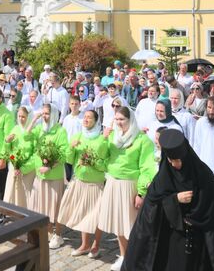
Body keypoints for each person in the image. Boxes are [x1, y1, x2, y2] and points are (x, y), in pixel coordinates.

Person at [123, 130, 214, 270]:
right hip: (171, 239)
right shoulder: (163, 177)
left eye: (177, 160)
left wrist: (195, 213)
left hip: (198, 241)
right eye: (170, 160)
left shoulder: (203, 174)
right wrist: (174, 200)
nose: (174, 164)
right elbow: (151, 208)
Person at [97, 106, 157, 271]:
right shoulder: (112, 137)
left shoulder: (142, 140)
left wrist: (141, 193)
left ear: (130, 120)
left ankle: (137, 256)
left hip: (129, 185)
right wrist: (103, 138)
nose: (119, 123)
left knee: (132, 225)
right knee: (119, 223)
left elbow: (147, 168)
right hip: (113, 183)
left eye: (122, 120)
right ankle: (124, 256)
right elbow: (101, 156)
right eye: (116, 119)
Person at [58, 110, 107, 258]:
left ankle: (96, 245)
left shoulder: (102, 139)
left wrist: (92, 162)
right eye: (84, 117)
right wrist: (71, 147)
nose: (86, 119)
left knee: (97, 215)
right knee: (83, 214)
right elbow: (69, 159)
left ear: (96, 121)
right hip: (79, 180)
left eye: (89, 117)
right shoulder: (77, 136)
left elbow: (105, 165)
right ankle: (85, 245)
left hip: (95, 183)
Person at [28, 103, 69, 248]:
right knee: (41, 206)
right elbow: (27, 136)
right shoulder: (40, 129)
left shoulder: (60, 131)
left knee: (55, 207)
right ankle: (49, 232)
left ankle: (58, 235)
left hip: (53, 175)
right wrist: (34, 119)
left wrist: (50, 166)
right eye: (43, 113)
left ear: (53, 115)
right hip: (40, 174)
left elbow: (64, 154)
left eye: (47, 114)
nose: (45, 116)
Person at [3, 105, 38, 209]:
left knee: (25, 197)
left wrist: (23, 168)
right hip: (14, 168)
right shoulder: (15, 129)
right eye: (19, 116)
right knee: (11, 193)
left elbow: (35, 154)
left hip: (28, 171)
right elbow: (10, 152)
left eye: (23, 117)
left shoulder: (34, 132)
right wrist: (7, 143)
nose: (21, 119)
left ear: (29, 117)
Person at [60, 95, 83, 181]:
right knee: (69, 175)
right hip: (69, 149)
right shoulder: (66, 118)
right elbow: (64, 134)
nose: (74, 106)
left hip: (78, 149)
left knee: (77, 174)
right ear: (69, 105)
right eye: (72, 104)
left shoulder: (83, 118)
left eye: (76, 104)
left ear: (80, 105)